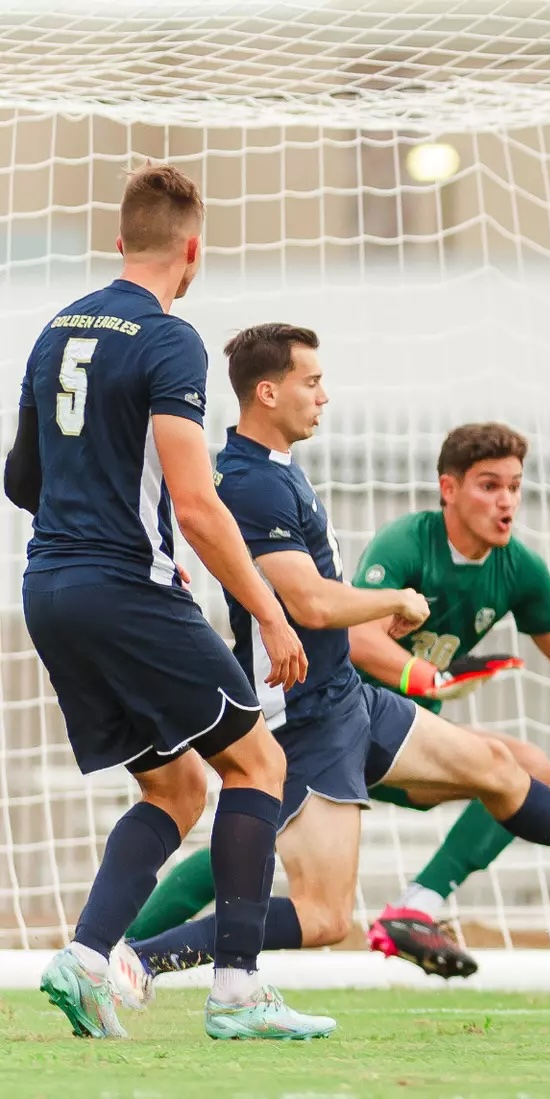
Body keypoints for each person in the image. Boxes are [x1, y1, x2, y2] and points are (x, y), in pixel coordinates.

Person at [115, 325, 550, 1007]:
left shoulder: (276, 466)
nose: (324, 395)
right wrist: (395, 603)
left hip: (347, 698)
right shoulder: (253, 484)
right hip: (305, 717)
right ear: (268, 390)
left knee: (504, 767)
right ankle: (137, 956)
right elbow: (309, 601)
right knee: (322, 916)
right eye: (311, 382)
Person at [3, 164, 331, 1040]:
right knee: (256, 765)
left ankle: (83, 959)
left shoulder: (53, 331)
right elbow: (195, 503)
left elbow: (21, 479)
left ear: (119, 241)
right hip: (125, 588)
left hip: (49, 591)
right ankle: (236, 989)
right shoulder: (170, 337)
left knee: (178, 783)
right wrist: (266, 609)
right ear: (193, 249)